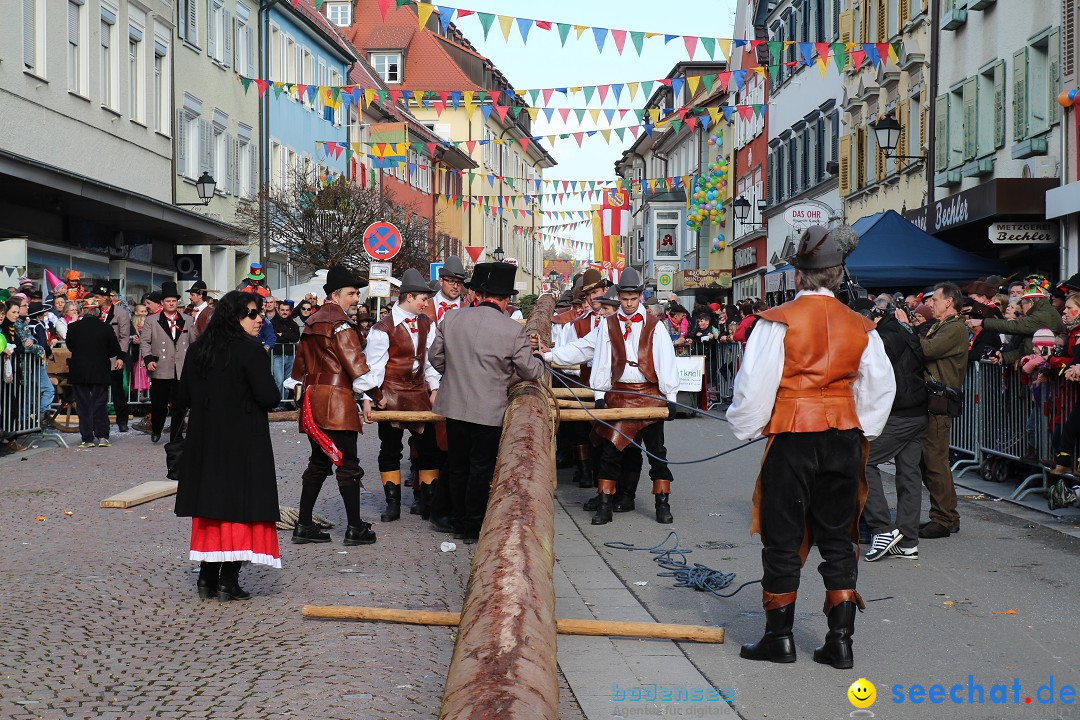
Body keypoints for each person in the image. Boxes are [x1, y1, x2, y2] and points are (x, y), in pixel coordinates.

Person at [727, 225, 895, 670]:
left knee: (782, 536)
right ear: (838, 276)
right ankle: (840, 643)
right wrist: (864, 430)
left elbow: (755, 385)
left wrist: (748, 426)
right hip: (843, 436)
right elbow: (880, 388)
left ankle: (778, 639)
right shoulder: (863, 326)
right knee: (840, 538)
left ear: (799, 275)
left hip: (794, 437)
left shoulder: (776, 321)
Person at [546, 267, 681, 525]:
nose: (629, 304)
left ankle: (662, 503)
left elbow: (666, 360)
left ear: (640, 296)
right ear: (618, 296)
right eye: (625, 299)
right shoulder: (608, 325)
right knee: (610, 450)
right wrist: (598, 392)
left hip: (651, 394)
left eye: (633, 299)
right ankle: (605, 504)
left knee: (657, 452)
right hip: (620, 393)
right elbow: (599, 359)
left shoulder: (655, 325)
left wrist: (671, 396)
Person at [174, 290, 282, 601]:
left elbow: (183, 398)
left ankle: (207, 579)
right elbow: (269, 396)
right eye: (252, 313)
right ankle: (228, 580)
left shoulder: (198, 351)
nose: (259, 318)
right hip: (243, 442)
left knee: (211, 509)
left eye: (259, 312)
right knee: (240, 509)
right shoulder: (249, 351)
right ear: (234, 317)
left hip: (206, 443)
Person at [429, 262, 545, 540]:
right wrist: (539, 359)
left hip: (454, 406)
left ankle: (455, 520)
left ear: (477, 295)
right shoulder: (512, 330)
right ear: (505, 300)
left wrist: (457, 374)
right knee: (481, 468)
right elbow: (529, 371)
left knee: (457, 464)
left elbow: (435, 359)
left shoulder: (452, 320)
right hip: (489, 411)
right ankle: (472, 525)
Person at [287, 265, 376, 547]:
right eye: (351, 293)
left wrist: (299, 391)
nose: (356, 299)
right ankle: (355, 528)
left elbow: (298, 367)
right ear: (335, 295)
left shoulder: (311, 322)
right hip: (337, 402)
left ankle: (303, 525)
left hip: (313, 401)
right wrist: (377, 394)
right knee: (348, 465)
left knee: (319, 462)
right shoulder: (341, 325)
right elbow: (356, 365)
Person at [356, 269, 443, 523]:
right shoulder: (382, 329)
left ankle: (427, 502)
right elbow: (374, 366)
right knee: (390, 449)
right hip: (390, 394)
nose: (426, 304)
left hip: (418, 393)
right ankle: (392, 504)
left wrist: (434, 388)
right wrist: (370, 397)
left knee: (428, 449)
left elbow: (430, 363)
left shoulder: (427, 324)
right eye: (422, 299)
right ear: (409, 297)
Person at [851, 299, 928, 562]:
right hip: (917, 411)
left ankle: (882, 528)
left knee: (862, 461)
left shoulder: (882, 338)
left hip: (898, 413)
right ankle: (907, 540)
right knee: (909, 474)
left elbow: (873, 373)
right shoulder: (903, 329)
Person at [915, 283, 970, 539]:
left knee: (935, 462)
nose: (931, 304)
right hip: (933, 400)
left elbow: (926, 350)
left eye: (935, 299)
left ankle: (944, 519)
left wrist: (909, 330)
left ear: (949, 302)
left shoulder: (955, 328)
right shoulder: (944, 326)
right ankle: (947, 515)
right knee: (931, 462)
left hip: (940, 401)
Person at [66, 297, 124, 448]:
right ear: (97, 312)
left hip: (80, 370)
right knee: (99, 403)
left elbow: (70, 346)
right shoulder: (105, 327)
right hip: (100, 370)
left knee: (83, 404)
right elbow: (115, 350)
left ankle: (87, 438)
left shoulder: (73, 327)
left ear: (84, 311)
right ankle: (102, 435)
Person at [140, 281, 193, 443]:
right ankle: (156, 429)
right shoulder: (152, 320)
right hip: (160, 367)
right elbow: (145, 342)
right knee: (159, 404)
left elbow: (194, 343)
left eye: (174, 301)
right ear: (162, 303)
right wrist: (148, 359)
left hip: (181, 368)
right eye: (168, 301)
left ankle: (176, 434)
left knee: (180, 405)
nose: (171, 304)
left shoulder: (188, 320)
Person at [91, 284, 132, 433]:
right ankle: (101, 421)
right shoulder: (93, 311)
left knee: (117, 391)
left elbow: (124, 337)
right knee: (99, 391)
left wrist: (121, 357)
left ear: (107, 298)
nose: (96, 300)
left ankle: (122, 420)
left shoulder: (121, 313)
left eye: (99, 297)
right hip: (97, 358)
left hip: (114, 357)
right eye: (95, 297)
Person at [269, 299, 301, 406]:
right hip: (278, 356)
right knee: (278, 381)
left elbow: (296, 337)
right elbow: (274, 338)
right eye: (282, 310)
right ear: (278, 310)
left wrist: (282, 335)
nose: (284, 312)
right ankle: (277, 405)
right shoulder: (273, 322)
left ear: (290, 311)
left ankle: (283, 405)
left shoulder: (293, 323)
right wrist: (287, 337)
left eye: (287, 310)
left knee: (288, 382)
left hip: (291, 356)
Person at [423, 255, 468, 325]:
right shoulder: (424, 307)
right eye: (451, 281)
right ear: (441, 281)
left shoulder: (468, 309)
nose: (455, 286)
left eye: (459, 282)